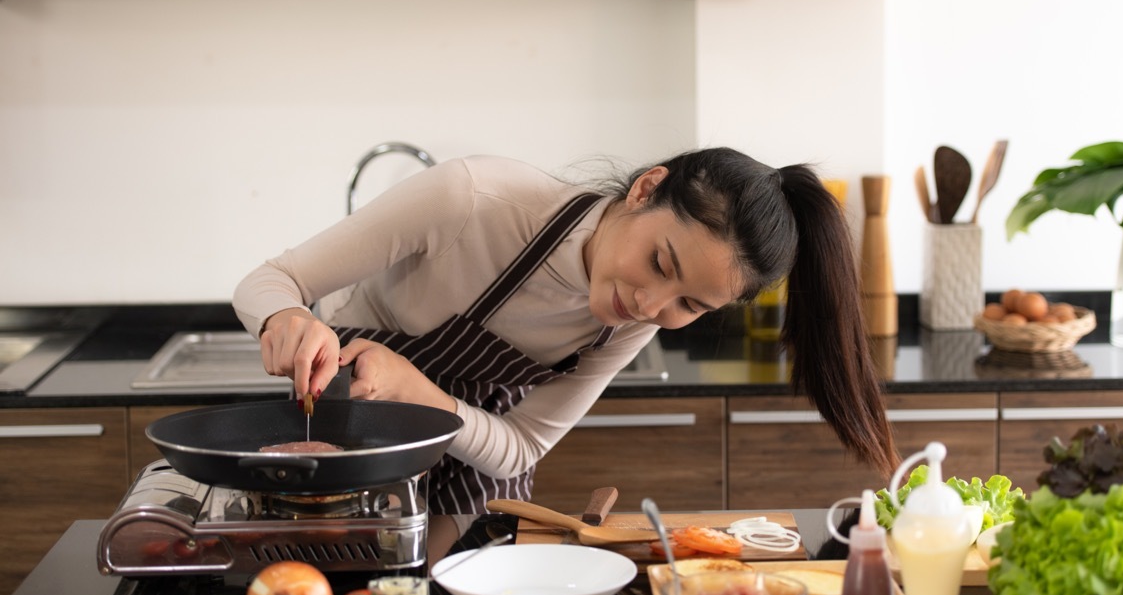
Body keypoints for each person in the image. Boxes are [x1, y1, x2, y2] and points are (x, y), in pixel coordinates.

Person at [233, 148, 898, 514]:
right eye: (660, 263)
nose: (648, 304)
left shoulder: (631, 320)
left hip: (470, 473)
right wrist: (289, 317)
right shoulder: (471, 200)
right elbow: (270, 280)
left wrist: (423, 394)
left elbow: (520, 447)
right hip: (354, 431)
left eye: (689, 305)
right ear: (645, 189)